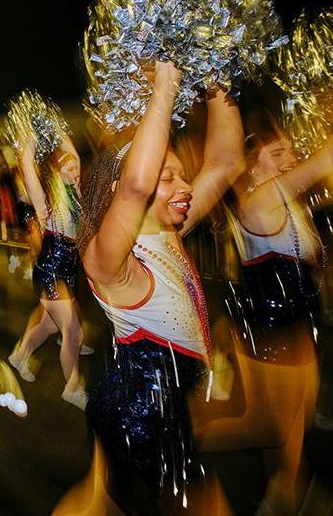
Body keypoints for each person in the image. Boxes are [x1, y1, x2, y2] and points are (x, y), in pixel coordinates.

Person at [73, 61, 244, 514]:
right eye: (168, 178)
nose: (185, 186)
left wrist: (213, 72)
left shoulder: (170, 231)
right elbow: (135, 186)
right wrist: (166, 86)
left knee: (104, 506)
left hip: (166, 411)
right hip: (141, 420)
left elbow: (227, 161)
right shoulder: (109, 262)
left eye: (182, 175)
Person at [199, 109, 331, 514]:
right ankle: (186, 435)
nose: (290, 158)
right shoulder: (258, 201)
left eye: (290, 150)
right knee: (267, 425)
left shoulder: (288, 200)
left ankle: (284, 491)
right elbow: (321, 164)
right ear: (253, 165)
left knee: (295, 421)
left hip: (297, 325)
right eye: (278, 153)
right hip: (269, 331)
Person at [9, 134, 92, 409]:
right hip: (51, 267)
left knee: (47, 324)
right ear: (58, 173)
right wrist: (30, 144)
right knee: (72, 331)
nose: (75, 172)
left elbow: (75, 158)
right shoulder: (48, 201)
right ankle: (72, 388)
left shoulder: (76, 194)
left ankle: (21, 355)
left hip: (69, 267)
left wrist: (60, 132)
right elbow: (29, 170)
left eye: (76, 169)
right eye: (68, 169)